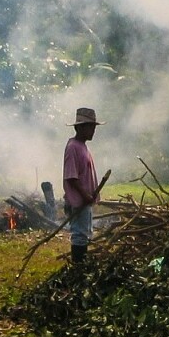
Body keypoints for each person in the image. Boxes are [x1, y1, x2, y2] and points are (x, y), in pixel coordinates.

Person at [62, 107, 103, 263]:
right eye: (90, 127)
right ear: (79, 128)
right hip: (79, 200)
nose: (93, 131)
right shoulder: (73, 147)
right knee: (79, 235)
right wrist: (85, 195)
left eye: (94, 127)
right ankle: (78, 267)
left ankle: (82, 266)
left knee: (85, 234)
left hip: (85, 200)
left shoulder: (82, 146)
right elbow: (71, 177)